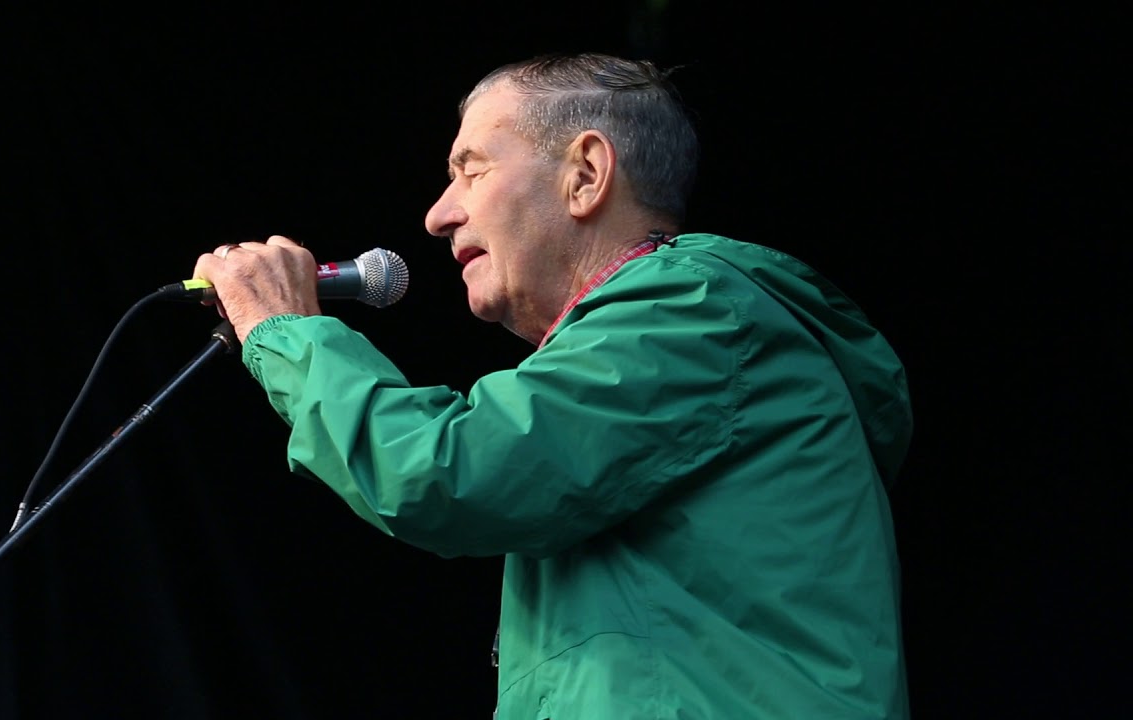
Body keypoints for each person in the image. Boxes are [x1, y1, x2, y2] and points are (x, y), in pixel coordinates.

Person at [191, 52, 912, 719]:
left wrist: (283, 331)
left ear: (586, 174)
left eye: (470, 169)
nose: (438, 215)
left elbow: (449, 472)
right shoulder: (668, 335)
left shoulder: (692, 308)